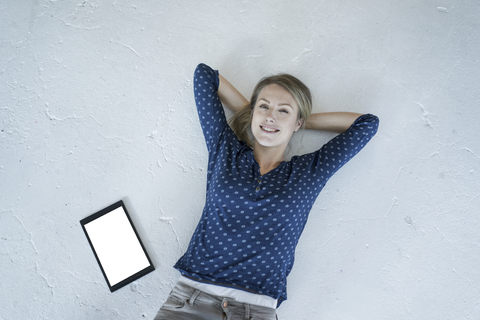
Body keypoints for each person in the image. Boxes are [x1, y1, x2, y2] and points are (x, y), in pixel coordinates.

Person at [154, 63, 379, 320]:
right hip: (193, 298)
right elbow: (204, 76)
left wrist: (297, 120)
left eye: (283, 110)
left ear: (298, 122)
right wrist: (261, 116)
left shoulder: (309, 173)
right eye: (264, 106)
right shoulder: (225, 151)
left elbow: (367, 124)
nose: (271, 116)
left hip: (256, 310)